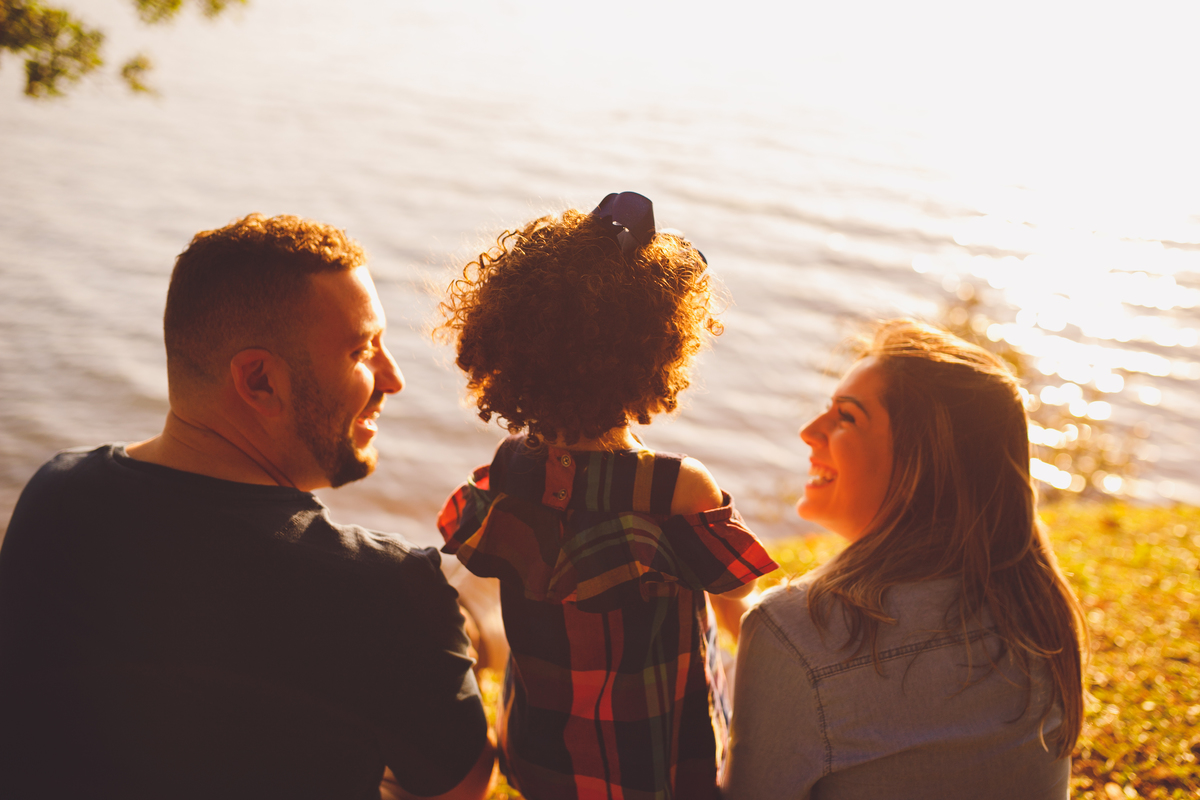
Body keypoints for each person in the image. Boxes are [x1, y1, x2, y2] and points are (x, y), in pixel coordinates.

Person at [0, 214, 495, 800]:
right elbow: (460, 791)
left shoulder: (56, 494)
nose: (393, 378)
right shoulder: (388, 592)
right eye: (363, 350)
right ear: (259, 380)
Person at [434, 193, 779, 800]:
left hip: (543, 753)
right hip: (653, 758)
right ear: (661, 350)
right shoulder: (677, 486)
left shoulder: (512, 466)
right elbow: (740, 608)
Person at [723, 319, 1087, 800]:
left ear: (923, 459)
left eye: (846, 417)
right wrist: (730, 598)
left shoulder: (797, 633)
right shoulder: (1034, 612)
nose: (810, 432)